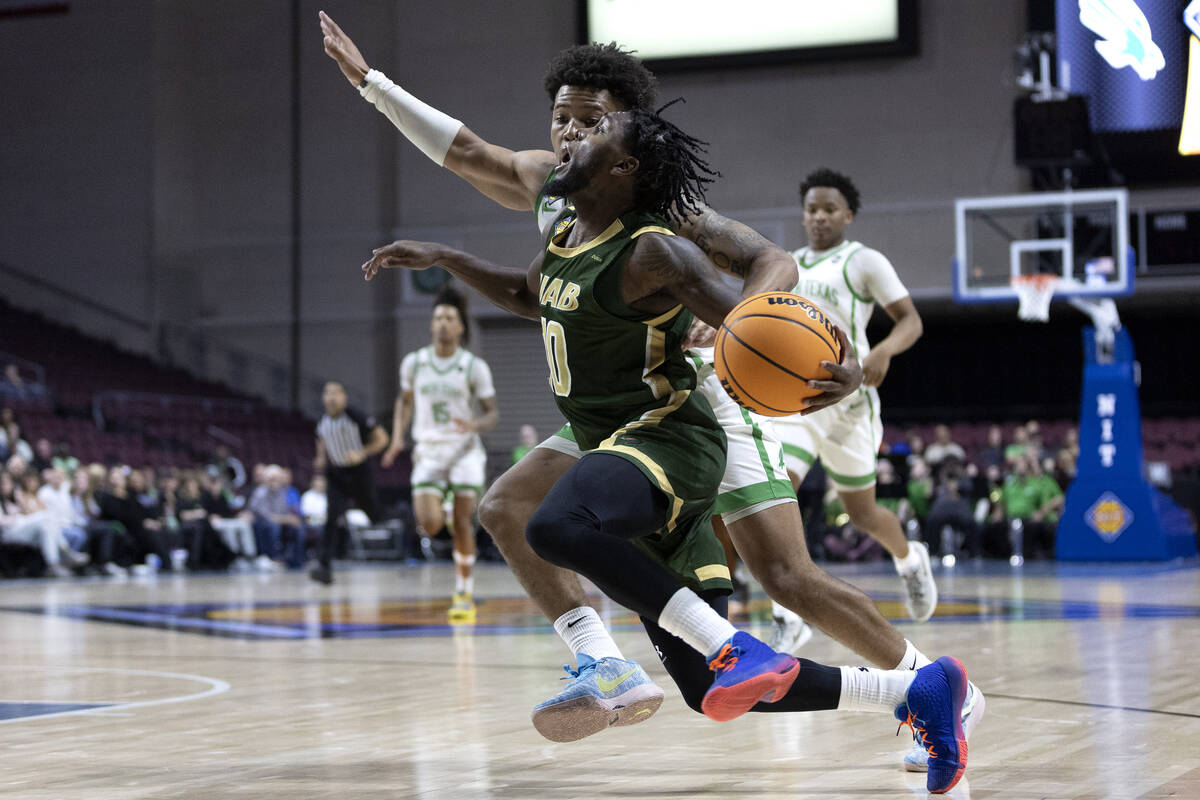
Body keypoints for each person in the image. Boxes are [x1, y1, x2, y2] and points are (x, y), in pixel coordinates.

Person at [322, 17, 982, 773]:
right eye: (561, 118)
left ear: (625, 140)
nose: (570, 133)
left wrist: (742, 323)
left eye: (590, 120)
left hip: (694, 404)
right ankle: (603, 662)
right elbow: (466, 153)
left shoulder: (662, 214)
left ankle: (937, 689)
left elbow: (772, 260)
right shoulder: (552, 191)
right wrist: (372, 85)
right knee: (510, 509)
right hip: (609, 416)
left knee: (788, 577)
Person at [769, 168, 936, 637]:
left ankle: (909, 559)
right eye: (811, 209)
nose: (819, 217)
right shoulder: (788, 264)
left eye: (828, 209)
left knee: (863, 515)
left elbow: (911, 321)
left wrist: (881, 351)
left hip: (848, 404)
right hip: (798, 402)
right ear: (802, 216)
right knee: (778, 493)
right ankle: (788, 611)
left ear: (848, 215)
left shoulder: (864, 261)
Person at [381, 287, 498, 620]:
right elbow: (404, 402)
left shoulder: (473, 366)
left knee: (463, 522)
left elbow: (492, 413)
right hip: (429, 450)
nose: (442, 324)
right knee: (430, 525)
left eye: (449, 318)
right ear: (431, 325)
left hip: (463, 451)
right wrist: (397, 438)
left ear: (460, 326)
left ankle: (463, 593)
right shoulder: (415, 362)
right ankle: (442, 509)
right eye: (437, 318)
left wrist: (475, 424)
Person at [312, 381, 388, 585]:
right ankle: (324, 566)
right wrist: (320, 458)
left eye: (336, 393)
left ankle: (393, 540)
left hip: (359, 472)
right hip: (336, 473)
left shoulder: (355, 416)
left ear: (344, 397)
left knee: (373, 512)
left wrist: (362, 453)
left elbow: (382, 438)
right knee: (332, 516)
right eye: (327, 393)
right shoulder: (322, 422)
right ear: (323, 398)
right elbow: (321, 440)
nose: (332, 397)